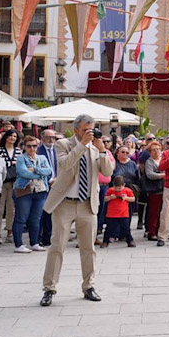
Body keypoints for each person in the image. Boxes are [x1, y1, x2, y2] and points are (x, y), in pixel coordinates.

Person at [40, 114, 114, 306]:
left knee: (89, 248)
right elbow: (64, 165)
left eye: (92, 129)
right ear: (75, 130)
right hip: (64, 203)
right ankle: (49, 288)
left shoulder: (96, 147)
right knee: (57, 246)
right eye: (85, 130)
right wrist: (82, 144)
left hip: (87, 204)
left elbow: (107, 172)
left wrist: (103, 151)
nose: (89, 133)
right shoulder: (63, 144)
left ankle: (89, 286)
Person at [12, 136, 52, 253]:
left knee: (36, 218)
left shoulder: (42, 157)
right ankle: (18, 245)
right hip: (24, 190)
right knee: (21, 218)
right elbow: (23, 172)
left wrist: (34, 170)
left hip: (40, 190)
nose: (32, 148)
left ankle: (34, 242)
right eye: (29, 146)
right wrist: (40, 173)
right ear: (24, 146)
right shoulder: (21, 158)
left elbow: (49, 171)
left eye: (34, 146)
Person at [0, 128, 21, 242]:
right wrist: (11, 163)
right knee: (0, 208)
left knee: (12, 208)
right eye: (11, 135)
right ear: (6, 137)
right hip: (1, 181)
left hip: (14, 182)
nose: (12, 138)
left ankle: (9, 231)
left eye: (15, 136)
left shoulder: (18, 151)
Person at [38, 129, 59, 247]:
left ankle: (49, 236)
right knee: (42, 212)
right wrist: (50, 179)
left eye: (53, 138)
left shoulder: (57, 150)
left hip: (57, 185)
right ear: (43, 138)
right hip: (44, 184)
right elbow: (37, 168)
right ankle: (39, 237)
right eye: (48, 137)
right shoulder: (38, 151)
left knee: (52, 212)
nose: (51, 140)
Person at [103, 174, 136, 248]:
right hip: (111, 214)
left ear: (123, 185)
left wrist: (126, 198)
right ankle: (105, 241)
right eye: (116, 187)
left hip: (123, 214)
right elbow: (105, 198)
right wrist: (110, 197)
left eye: (119, 188)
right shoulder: (110, 190)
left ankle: (130, 240)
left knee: (126, 228)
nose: (117, 189)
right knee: (109, 229)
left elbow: (133, 199)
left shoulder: (127, 190)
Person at [142, 141, 165, 241]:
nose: (156, 151)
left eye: (158, 149)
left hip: (165, 189)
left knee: (162, 212)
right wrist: (163, 175)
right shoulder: (149, 162)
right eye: (153, 150)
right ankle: (152, 232)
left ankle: (160, 231)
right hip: (155, 190)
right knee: (154, 212)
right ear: (150, 152)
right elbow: (150, 174)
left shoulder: (163, 160)